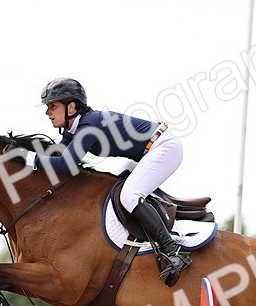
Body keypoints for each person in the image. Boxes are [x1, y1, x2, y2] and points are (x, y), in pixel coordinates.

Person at [21, 78, 191, 287]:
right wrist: (25, 160)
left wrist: (27, 158)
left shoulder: (88, 124)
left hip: (164, 148)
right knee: (112, 193)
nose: (48, 112)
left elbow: (65, 165)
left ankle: (173, 250)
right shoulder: (74, 129)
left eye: (53, 106)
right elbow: (55, 155)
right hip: (145, 153)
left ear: (71, 106)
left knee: (129, 196)